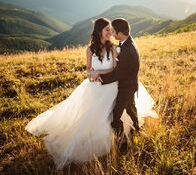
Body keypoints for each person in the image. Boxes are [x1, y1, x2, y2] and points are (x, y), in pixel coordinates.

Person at [25, 18, 158, 170]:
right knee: (94, 115)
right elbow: (88, 70)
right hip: (95, 88)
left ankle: (121, 138)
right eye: (107, 29)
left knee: (114, 113)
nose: (110, 32)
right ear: (99, 31)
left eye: (111, 30)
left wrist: (99, 73)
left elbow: (116, 70)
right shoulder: (89, 49)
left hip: (111, 87)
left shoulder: (114, 47)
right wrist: (91, 75)